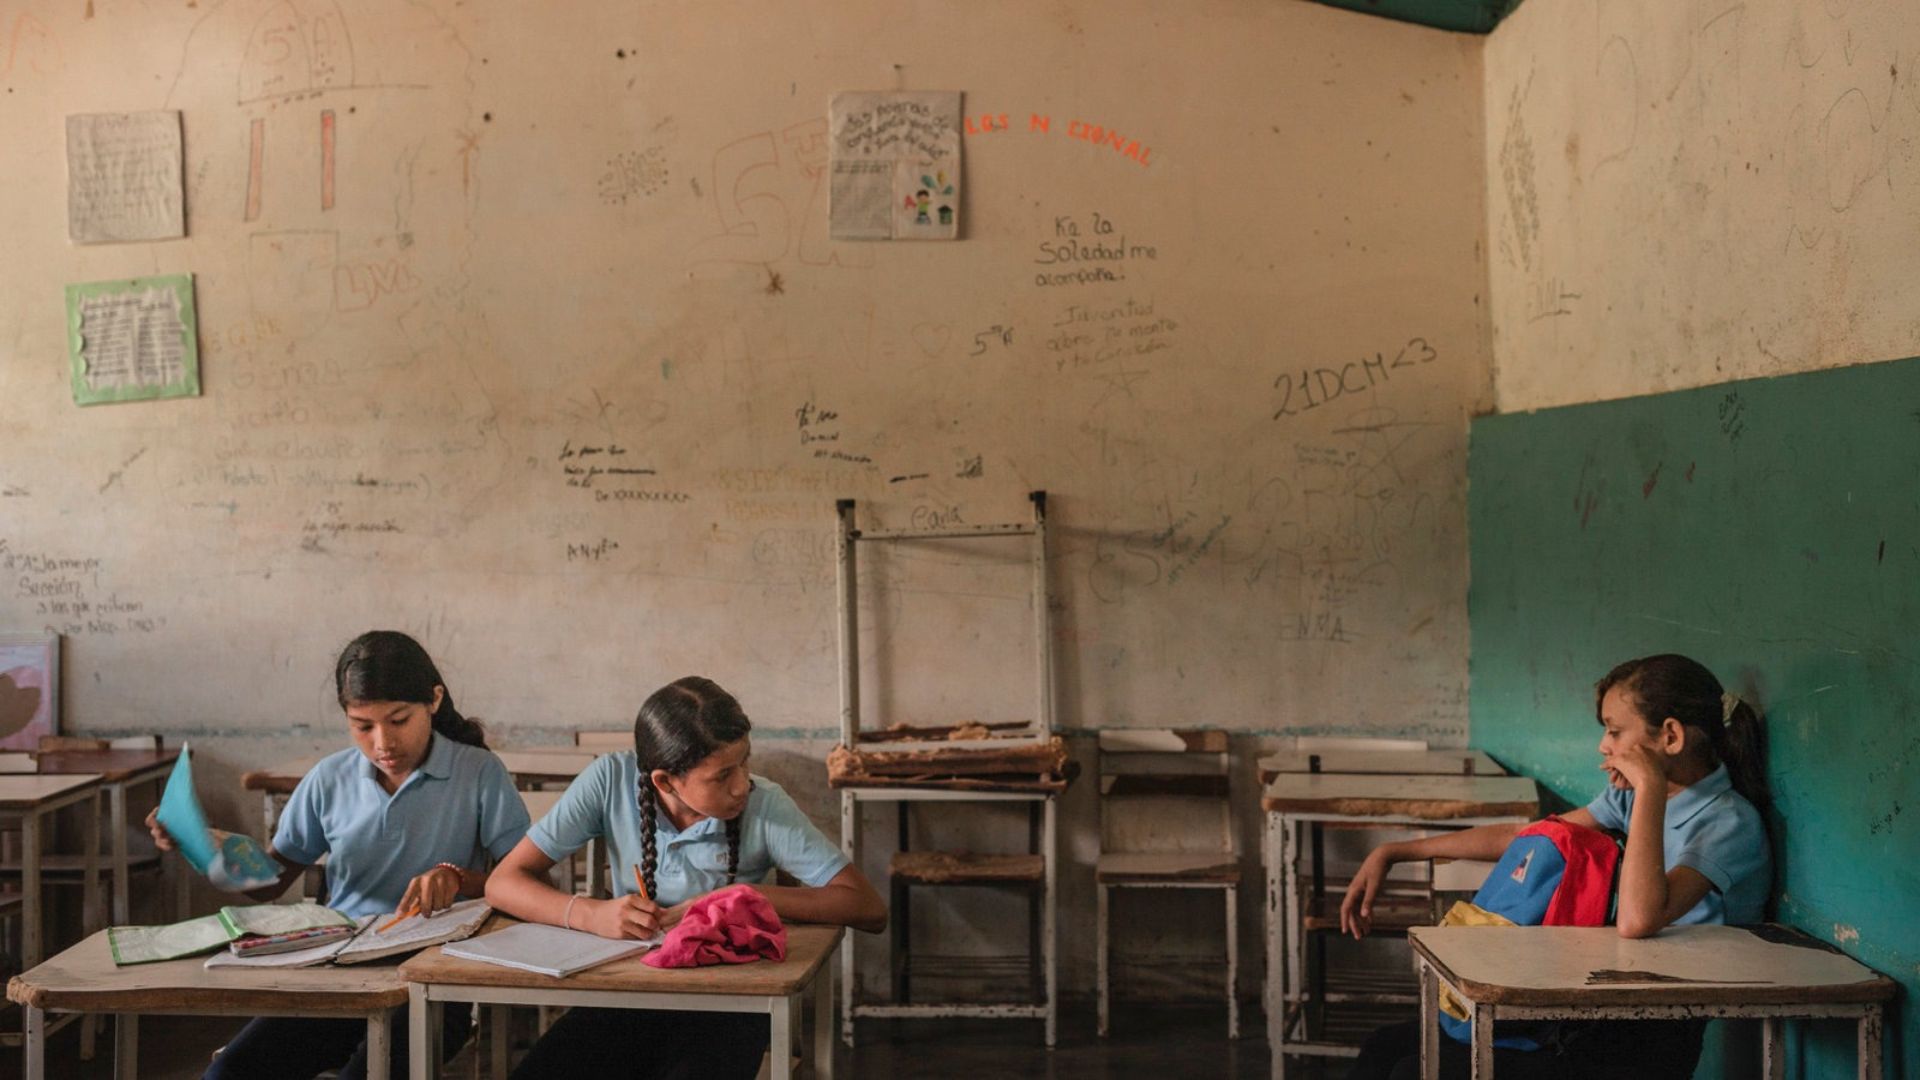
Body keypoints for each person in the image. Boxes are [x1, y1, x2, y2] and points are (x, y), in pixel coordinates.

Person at [1342, 654, 1771, 1080]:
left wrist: (1650, 787)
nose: (1605, 745)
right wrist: (1397, 851)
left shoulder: (1728, 822)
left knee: (1411, 1072)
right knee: (1384, 1048)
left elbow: (1640, 919)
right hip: (1585, 1007)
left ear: (1671, 736)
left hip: (1646, 1037)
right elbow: (1529, 837)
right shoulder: (1630, 800)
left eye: (1615, 730)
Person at [147, 630, 531, 1080]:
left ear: (434, 700)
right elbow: (271, 882)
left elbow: (527, 886)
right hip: (338, 971)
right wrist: (208, 844)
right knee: (228, 1073)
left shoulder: (478, 772)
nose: (382, 742)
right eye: (363, 726)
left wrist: (457, 877)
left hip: (434, 980)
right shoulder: (329, 779)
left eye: (399, 720)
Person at [486, 675, 887, 1079]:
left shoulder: (765, 806)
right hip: (631, 990)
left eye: (745, 761)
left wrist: (741, 894)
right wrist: (591, 915)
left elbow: (868, 907)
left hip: (732, 999)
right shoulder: (610, 781)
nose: (741, 784)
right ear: (664, 781)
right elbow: (503, 883)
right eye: (722, 775)